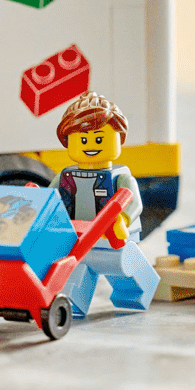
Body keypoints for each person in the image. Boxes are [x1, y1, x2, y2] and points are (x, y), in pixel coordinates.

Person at [50, 92, 158, 315]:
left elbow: (134, 202)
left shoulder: (121, 177)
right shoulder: (64, 177)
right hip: (77, 240)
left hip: (112, 238)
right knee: (76, 270)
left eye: (99, 139)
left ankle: (138, 292)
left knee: (123, 266)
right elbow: (49, 199)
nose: (91, 145)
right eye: (83, 139)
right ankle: (71, 303)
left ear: (119, 138)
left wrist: (123, 219)